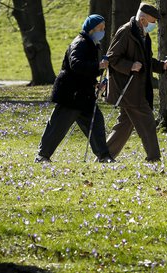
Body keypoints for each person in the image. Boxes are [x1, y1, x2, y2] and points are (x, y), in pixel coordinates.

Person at [35, 14, 114, 163]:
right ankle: (42, 155)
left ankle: (103, 156)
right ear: (91, 29)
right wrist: (98, 66)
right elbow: (76, 65)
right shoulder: (80, 43)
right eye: (100, 28)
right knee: (57, 126)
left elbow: (86, 72)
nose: (103, 31)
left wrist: (96, 84)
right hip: (70, 94)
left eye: (103, 28)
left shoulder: (91, 44)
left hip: (84, 94)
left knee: (96, 122)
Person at [105, 2, 167, 162]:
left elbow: (146, 61)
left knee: (124, 125)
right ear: (142, 20)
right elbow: (112, 58)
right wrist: (130, 66)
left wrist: (162, 66)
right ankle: (154, 158)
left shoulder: (143, 34)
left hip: (136, 87)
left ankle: (104, 156)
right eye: (152, 22)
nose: (154, 25)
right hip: (127, 88)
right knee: (148, 121)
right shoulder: (126, 32)